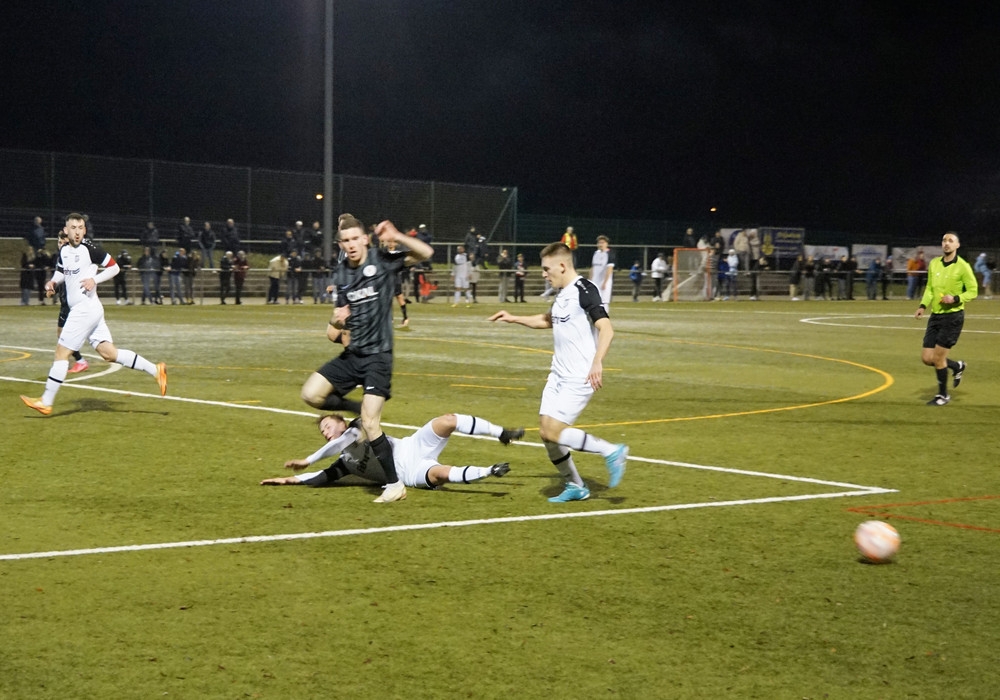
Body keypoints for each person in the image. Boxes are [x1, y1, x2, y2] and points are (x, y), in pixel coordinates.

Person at [300, 214, 433, 503]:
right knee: (310, 394)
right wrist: (337, 321)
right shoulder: (341, 274)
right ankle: (356, 408)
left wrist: (398, 236)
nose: (350, 245)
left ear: (364, 239)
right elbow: (335, 327)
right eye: (345, 241)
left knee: (371, 424)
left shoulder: (382, 260)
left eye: (354, 239)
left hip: (378, 357)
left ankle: (394, 485)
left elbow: (426, 252)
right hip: (353, 355)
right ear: (340, 244)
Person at [489, 241, 628, 503]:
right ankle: (576, 485)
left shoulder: (585, 289)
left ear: (562, 266)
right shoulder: (562, 293)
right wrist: (513, 317)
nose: (544, 274)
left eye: (546, 269)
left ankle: (612, 451)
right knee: (546, 434)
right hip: (557, 375)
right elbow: (547, 320)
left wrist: (597, 362)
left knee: (554, 431)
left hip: (580, 375)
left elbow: (606, 328)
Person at [19, 213, 167, 416]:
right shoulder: (64, 251)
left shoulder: (90, 249)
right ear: (66, 230)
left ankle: (46, 401)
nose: (77, 232)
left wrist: (94, 280)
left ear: (85, 230)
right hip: (90, 309)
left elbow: (114, 268)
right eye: (73, 228)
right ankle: (156, 370)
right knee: (109, 354)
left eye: (80, 228)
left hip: (84, 309)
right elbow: (61, 271)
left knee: (61, 353)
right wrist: (53, 282)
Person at [260, 412, 522, 492]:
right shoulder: (346, 463)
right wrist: (288, 480)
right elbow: (322, 477)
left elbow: (342, 441)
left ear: (342, 422)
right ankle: (490, 471)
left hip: (411, 445)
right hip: (408, 474)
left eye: (328, 426)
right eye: (323, 432)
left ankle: (501, 433)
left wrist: (307, 459)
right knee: (440, 475)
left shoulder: (360, 427)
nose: (327, 433)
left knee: (447, 420)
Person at [914, 231, 977, 406]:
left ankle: (943, 396)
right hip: (936, 316)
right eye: (944, 240)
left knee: (938, 359)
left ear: (957, 245)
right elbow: (930, 288)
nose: (946, 243)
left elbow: (973, 291)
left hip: (952, 317)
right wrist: (922, 306)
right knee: (927, 358)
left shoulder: (963, 266)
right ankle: (956, 366)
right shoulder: (934, 263)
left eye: (951, 240)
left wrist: (955, 298)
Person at [53, 231, 89, 373]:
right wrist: (53, 288)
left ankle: (76, 361)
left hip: (72, 302)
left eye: (64, 243)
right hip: (65, 302)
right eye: (59, 242)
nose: (61, 245)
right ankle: (77, 361)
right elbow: (61, 279)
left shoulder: (74, 258)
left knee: (65, 335)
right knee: (62, 334)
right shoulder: (61, 257)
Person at [590, 235, 616, 308]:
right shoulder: (596, 253)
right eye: (599, 243)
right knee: (594, 301)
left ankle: (604, 314)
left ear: (606, 244)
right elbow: (593, 267)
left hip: (604, 281)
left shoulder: (610, 254)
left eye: (602, 242)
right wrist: (590, 280)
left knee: (604, 301)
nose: (600, 244)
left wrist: (605, 282)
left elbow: (609, 269)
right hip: (595, 281)